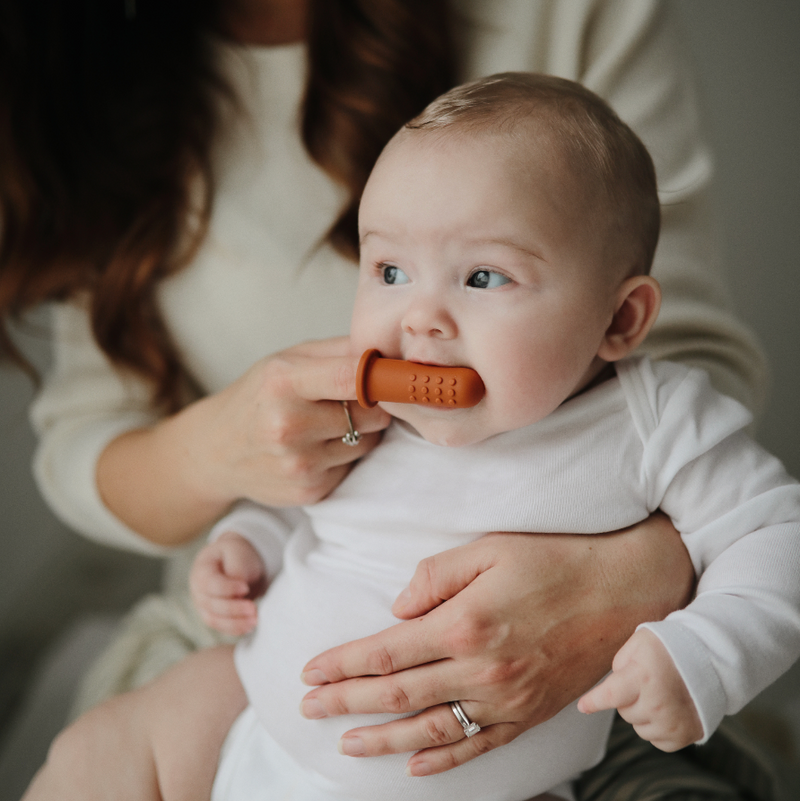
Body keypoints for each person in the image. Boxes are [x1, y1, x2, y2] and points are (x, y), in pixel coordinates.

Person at [1, 1, 779, 799]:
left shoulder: (654, 420)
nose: (420, 317)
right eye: (390, 271)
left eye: (483, 276)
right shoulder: (373, 412)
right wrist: (247, 543)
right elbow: (315, 512)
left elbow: (777, 536)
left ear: (620, 320)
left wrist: (698, 650)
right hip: (259, 725)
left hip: (481, 782)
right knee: (99, 750)